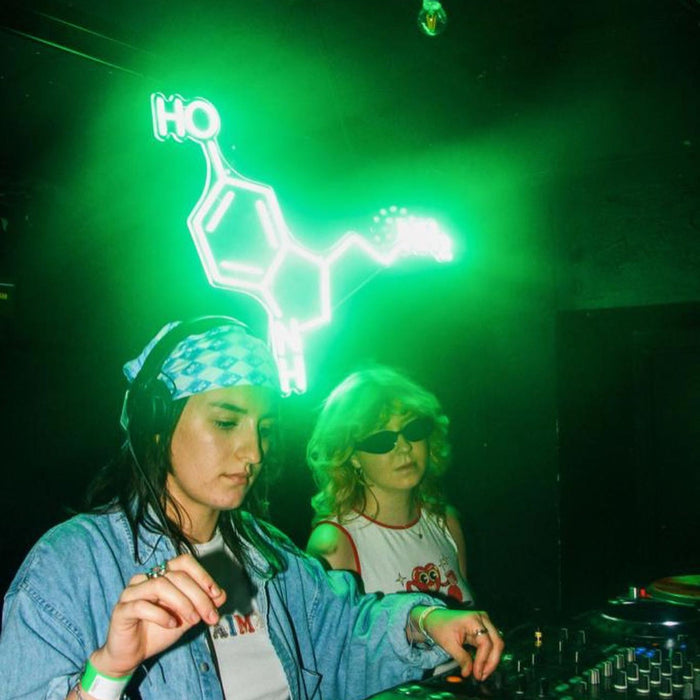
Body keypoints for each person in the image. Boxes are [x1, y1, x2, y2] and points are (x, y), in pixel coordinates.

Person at [0, 317, 503, 700]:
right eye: (225, 423)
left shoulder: (267, 551)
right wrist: (109, 670)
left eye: (263, 428)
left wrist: (425, 620)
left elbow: (345, 635)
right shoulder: (70, 566)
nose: (254, 453)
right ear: (156, 422)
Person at [306, 366, 473, 608]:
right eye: (382, 439)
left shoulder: (446, 522)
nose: (404, 447)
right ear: (351, 455)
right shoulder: (334, 544)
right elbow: (330, 642)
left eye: (413, 429)